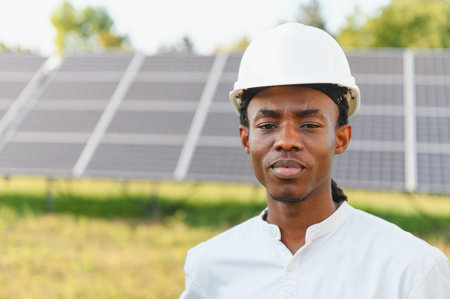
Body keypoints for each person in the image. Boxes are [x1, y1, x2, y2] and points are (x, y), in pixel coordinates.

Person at [180, 23, 450, 299]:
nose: (286, 140)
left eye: (309, 125)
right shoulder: (209, 268)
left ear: (341, 138)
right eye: (267, 125)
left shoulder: (410, 271)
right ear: (246, 139)